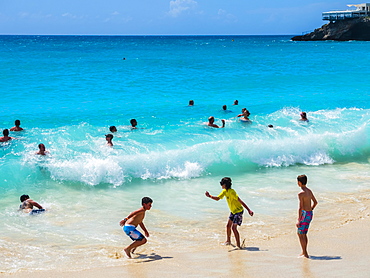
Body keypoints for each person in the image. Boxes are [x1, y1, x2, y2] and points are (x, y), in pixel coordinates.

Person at [205, 177, 254, 249]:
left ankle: (238, 246)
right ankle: (228, 241)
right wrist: (210, 196)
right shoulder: (225, 191)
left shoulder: (232, 192)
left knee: (234, 228)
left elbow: (240, 201)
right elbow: (218, 198)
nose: (221, 185)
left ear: (225, 184)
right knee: (228, 226)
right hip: (233, 211)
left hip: (238, 211)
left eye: (222, 183)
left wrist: (249, 210)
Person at [296, 174, 318, 258]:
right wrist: (311, 209)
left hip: (304, 214)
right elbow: (315, 202)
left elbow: (300, 207)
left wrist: (299, 219)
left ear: (299, 183)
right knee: (304, 233)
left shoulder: (301, 193)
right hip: (309, 214)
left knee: (300, 233)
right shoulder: (309, 191)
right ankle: (304, 252)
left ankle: (305, 253)